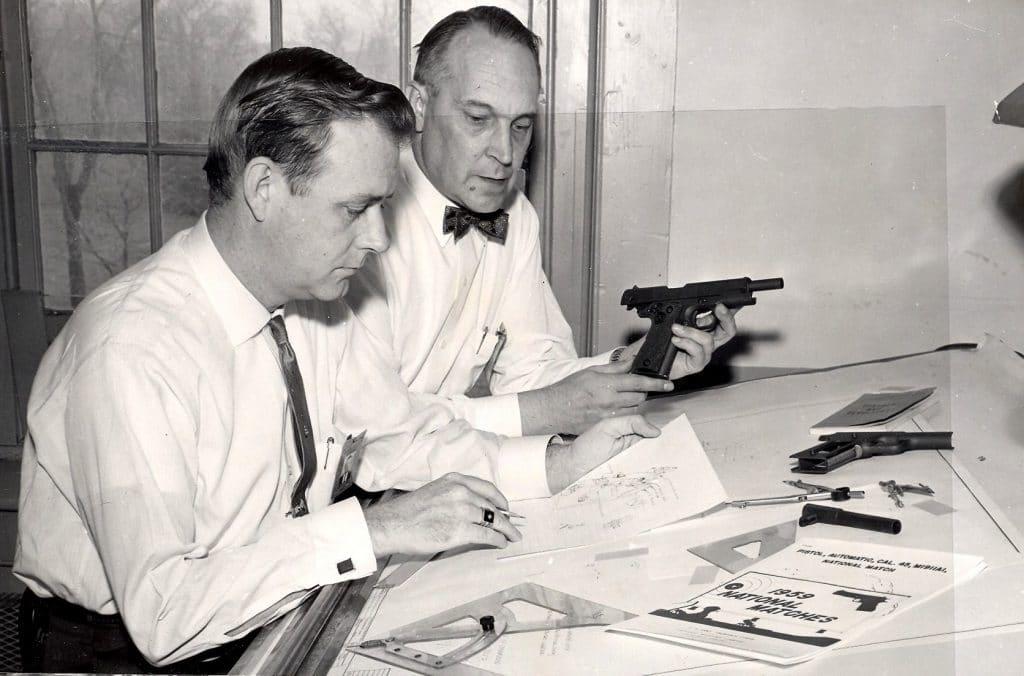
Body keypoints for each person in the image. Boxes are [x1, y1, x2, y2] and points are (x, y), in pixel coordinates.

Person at [14, 47, 657, 673]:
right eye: (355, 210)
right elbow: (166, 615)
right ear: (264, 188)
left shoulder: (320, 303)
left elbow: (398, 439)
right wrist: (372, 532)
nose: (378, 239)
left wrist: (561, 463)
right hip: (122, 654)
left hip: (278, 612)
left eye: (381, 207)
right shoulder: (132, 348)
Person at [347, 6, 738, 438]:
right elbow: (372, 426)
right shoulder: (358, 219)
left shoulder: (514, 214)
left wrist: (639, 360)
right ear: (419, 105)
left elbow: (531, 371)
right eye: (478, 119)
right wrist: (537, 412)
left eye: (521, 125)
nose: (506, 153)